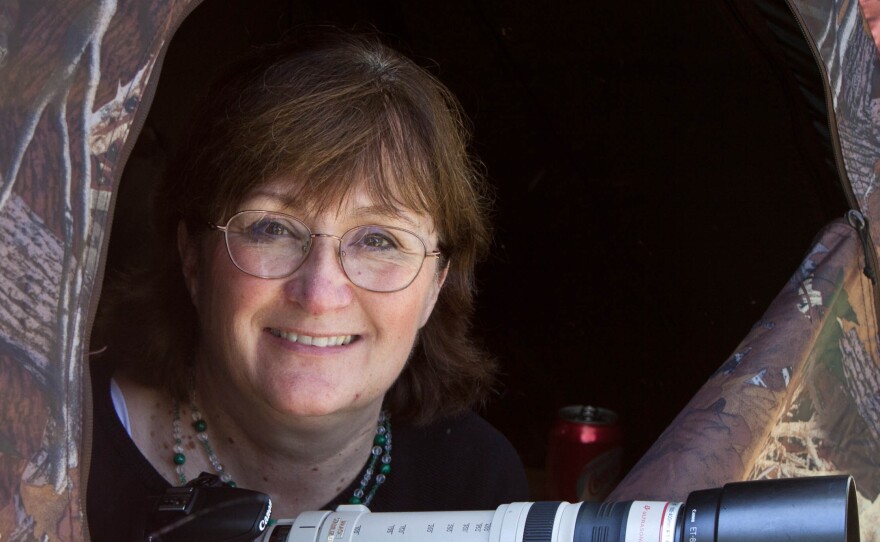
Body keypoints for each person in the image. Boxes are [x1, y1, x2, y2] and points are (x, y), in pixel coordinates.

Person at [87, 29, 529, 540]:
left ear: (436, 283)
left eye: (379, 240)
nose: (319, 293)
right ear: (193, 258)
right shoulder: (55, 446)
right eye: (272, 228)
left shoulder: (475, 483)